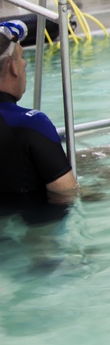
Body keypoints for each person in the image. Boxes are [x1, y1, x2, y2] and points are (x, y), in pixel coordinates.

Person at [0, 19, 78, 218]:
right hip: (33, 234)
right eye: (22, 57)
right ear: (13, 68)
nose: (25, 63)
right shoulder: (30, 123)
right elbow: (67, 192)